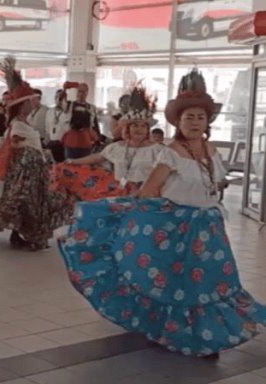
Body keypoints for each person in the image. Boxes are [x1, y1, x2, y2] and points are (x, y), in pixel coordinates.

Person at [59, 68, 265, 358]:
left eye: (200, 117)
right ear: (178, 122)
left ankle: (209, 333)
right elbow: (150, 189)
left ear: (208, 122)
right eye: (189, 117)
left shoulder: (210, 150)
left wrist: (214, 188)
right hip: (178, 227)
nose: (195, 122)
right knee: (177, 284)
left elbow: (215, 184)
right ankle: (171, 330)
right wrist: (143, 214)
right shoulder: (170, 152)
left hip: (210, 228)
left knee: (212, 280)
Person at [0, 57, 73, 251]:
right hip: (26, 172)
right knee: (28, 204)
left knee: (32, 204)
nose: (34, 102)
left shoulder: (25, 121)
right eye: (31, 100)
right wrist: (23, 148)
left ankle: (25, 236)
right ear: (23, 104)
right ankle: (26, 236)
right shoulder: (17, 124)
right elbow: (14, 143)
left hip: (34, 170)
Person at [52, 84, 163, 201]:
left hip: (146, 197)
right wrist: (72, 161)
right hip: (120, 196)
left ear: (147, 129)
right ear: (127, 128)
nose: (139, 129)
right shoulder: (117, 147)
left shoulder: (158, 150)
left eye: (143, 126)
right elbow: (98, 157)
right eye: (135, 125)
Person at [45, 89, 69, 162]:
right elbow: (47, 129)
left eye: (61, 98)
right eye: (56, 97)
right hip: (52, 143)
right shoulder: (49, 112)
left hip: (64, 145)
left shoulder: (68, 113)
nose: (58, 100)